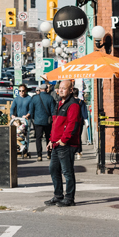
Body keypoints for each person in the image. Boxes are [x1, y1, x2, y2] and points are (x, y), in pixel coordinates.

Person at [46, 79, 84, 207]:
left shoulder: (73, 105)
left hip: (66, 144)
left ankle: (69, 198)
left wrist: (63, 140)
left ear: (71, 90)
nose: (60, 90)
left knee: (67, 172)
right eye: (59, 88)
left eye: (64, 88)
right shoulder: (59, 104)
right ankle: (58, 195)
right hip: (56, 144)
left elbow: (72, 125)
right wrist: (51, 140)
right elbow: (56, 125)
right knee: (53, 169)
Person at [29, 83, 56, 161]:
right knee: (48, 138)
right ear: (47, 89)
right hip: (47, 121)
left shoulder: (34, 98)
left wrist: (34, 118)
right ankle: (49, 154)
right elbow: (53, 111)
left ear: (40, 89)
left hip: (37, 121)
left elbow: (31, 110)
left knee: (38, 138)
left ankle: (39, 155)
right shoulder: (50, 98)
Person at [10, 84, 33, 157]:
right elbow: (12, 108)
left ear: (25, 91)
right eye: (20, 91)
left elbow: (31, 109)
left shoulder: (29, 98)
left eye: (23, 91)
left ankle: (25, 149)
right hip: (18, 120)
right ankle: (18, 148)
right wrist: (12, 115)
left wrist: (27, 115)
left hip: (26, 119)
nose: (21, 92)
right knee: (17, 135)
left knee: (26, 135)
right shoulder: (16, 99)